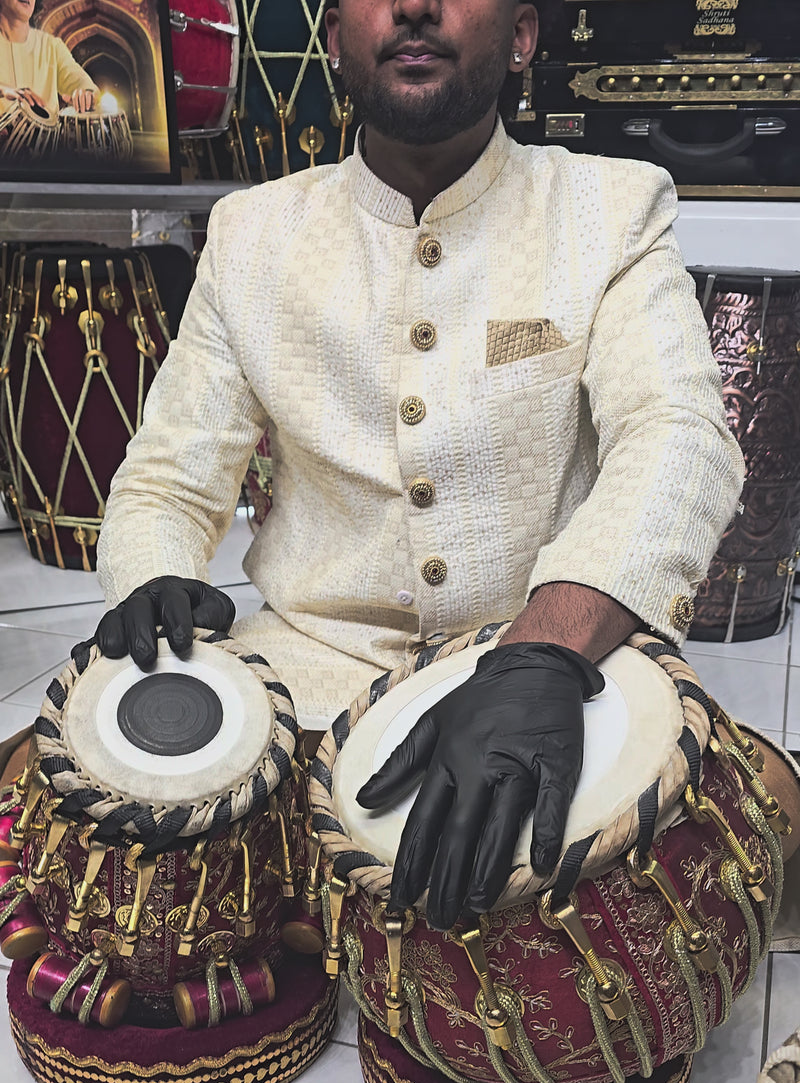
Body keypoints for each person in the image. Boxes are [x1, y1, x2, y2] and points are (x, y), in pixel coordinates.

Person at [94, 0, 745, 932]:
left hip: (547, 671)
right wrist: (151, 575)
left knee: (713, 846)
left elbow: (677, 432)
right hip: (308, 679)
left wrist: (546, 648)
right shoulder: (252, 235)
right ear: (333, 42)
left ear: (523, 37)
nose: (414, 8)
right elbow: (170, 473)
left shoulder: (609, 208)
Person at [0, 0, 97, 117]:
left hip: (47, 129)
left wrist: (85, 92)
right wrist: (3, 91)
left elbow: (79, 80)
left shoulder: (52, 46)